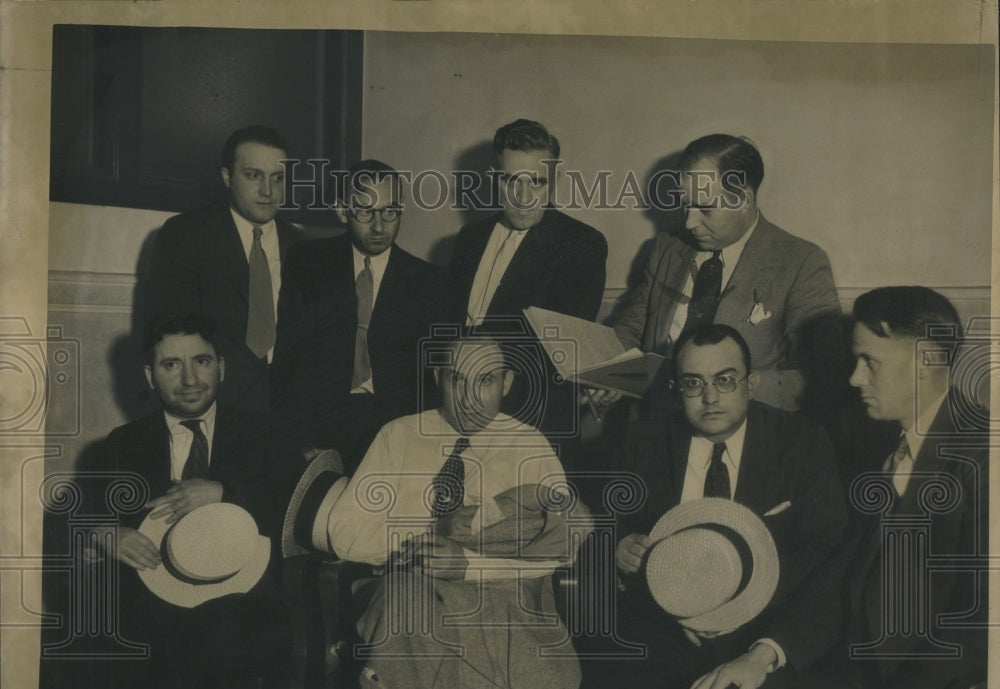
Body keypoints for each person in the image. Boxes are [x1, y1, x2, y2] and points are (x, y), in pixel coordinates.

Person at [685, 286, 988, 689]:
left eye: (870, 362)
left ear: (929, 358)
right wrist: (764, 653)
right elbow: (843, 573)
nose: (853, 378)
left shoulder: (983, 456)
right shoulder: (886, 444)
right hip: (866, 676)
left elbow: (988, 617)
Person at [570, 323, 847, 689]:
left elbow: (826, 551)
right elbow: (599, 529)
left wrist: (750, 621)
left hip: (760, 634)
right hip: (663, 631)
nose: (710, 398)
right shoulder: (642, 444)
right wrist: (618, 550)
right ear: (676, 389)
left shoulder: (801, 442)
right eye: (694, 384)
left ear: (750, 383)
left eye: (725, 380)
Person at [327, 335, 587, 689]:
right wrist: (427, 536)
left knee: (434, 615)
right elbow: (344, 533)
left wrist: (468, 566)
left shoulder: (529, 444)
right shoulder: (398, 435)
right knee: (407, 600)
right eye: (457, 380)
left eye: (485, 381)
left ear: (506, 382)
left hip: (496, 594)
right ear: (438, 378)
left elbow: (560, 548)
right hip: (403, 585)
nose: (468, 397)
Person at [74, 313, 301, 689]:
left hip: (248, 607)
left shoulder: (268, 435)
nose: (191, 378)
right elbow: (78, 518)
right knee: (87, 632)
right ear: (149, 376)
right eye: (171, 365)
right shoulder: (124, 443)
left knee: (183, 645)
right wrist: (105, 534)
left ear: (222, 366)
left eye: (201, 361)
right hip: (153, 606)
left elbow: (304, 506)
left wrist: (225, 492)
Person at [613, 134, 843, 423]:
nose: (689, 222)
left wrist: (731, 392)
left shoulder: (801, 262)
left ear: (743, 199)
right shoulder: (666, 248)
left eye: (705, 209)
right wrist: (609, 373)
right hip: (657, 424)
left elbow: (822, 374)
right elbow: (633, 328)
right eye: (686, 205)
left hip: (748, 429)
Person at [271, 159, 454, 472]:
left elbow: (430, 381)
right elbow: (291, 358)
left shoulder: (430, 281)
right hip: (320, 427)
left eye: (390, 211)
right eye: (365, 211)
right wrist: (296, 439)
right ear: (342, 210)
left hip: (397, 433)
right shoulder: (308, 263)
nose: (379, 226)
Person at [450, 118, 607, 439]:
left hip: (532, 418)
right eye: (511, 181)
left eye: (536, 182)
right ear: (494, 176)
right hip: (456, 408)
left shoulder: (581, 244)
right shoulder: (469, 238)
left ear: (554, 180)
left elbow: (557, 350)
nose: (523, 196)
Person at [146, 126, 304, 411]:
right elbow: (169, 333)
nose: (268, 191)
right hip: (215, 408)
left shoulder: (302, 247)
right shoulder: (186, 235)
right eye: (254, 175)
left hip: (288, 411)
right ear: (227, 177)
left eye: (277, 178)